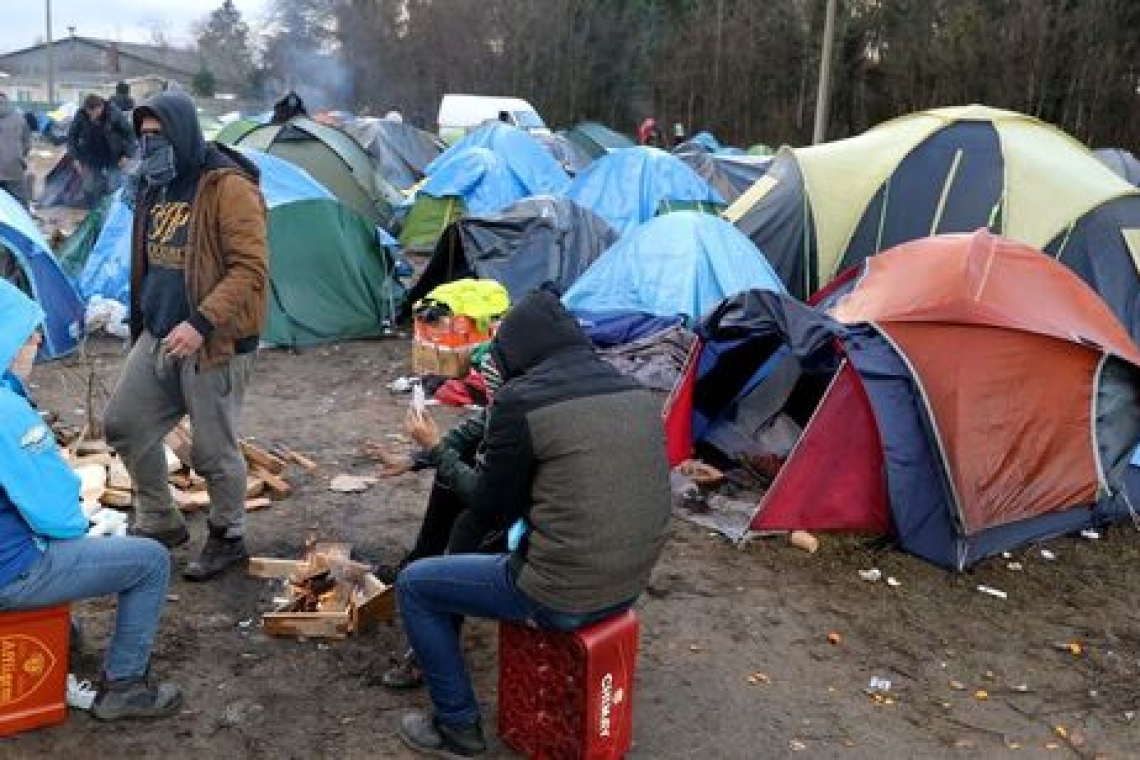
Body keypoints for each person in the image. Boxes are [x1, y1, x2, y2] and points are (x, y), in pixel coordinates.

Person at [393, 291, 672, 757]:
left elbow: (487, 508)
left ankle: (457, 726)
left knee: (415, 586)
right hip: (630, 584)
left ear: (518, 352)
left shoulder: (525, 401)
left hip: (562, 593)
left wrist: (436, 449)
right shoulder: (635, 392)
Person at [103, 91, 268, 581]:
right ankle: (160, 518)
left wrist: (200, 323)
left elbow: (250, 268)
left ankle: (228, 536)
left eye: (159, 134)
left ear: (183, 132)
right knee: (124, 425)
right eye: (144, 135)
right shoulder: (154, 183)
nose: (150, 143)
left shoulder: (227, 187)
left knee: (213, 452)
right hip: (158, 334)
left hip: (212, 341)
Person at [0, 278, 181, 720]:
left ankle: (62, 635)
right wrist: (83, 524)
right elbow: (60, 517)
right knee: (150, 560)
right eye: (28, 333)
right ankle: (125, 685)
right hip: (9, 574)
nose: (39, 340)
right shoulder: (6, 412)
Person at [372, 352, 506, 689]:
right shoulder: (506, 407)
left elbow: (487, 499)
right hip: (505, 499)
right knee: (450, 474)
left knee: (468, 523)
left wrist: (433, 448)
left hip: (527, 521)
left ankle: (436, 638)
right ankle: (419, 563)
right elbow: (466, 435)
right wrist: (417, 457)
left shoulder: (529, 418)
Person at [66, 93, 137, 207]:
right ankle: (94, 212)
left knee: (115, 188)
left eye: (93, 113)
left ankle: (112, 214)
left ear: (101, 107)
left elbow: (130, 134)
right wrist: (74, 158)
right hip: (91, 156)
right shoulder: (81, 115)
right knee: (90, 187)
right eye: (89, 113)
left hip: (113, 157)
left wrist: (127, 155)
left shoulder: (114, 114)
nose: (91, 117)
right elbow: (71, 137)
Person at [0, 93, 31, 206]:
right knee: (20, 204)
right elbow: (27, 144)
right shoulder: (19, 118)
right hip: (14, 166)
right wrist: (18, 155)